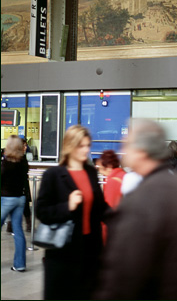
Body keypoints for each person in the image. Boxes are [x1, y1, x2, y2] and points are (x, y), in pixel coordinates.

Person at [92, 118, 177, 300]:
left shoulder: (142, 199)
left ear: (141, 152)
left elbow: (126, 271)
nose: (123, 151)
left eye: (127, 145)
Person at [36, 125, 108, 300]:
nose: (86, 150)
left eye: (87, 145)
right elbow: (42, 211)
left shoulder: (90, 172)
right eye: (81, 146)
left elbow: (99, 206)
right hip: (63, 252)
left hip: (90, 250)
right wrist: (67, 206)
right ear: (70, 146)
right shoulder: (53, 175)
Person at [1, 135, 28, 272]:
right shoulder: (24, 162)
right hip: (20, 198)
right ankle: (20, 264)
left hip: (6, 198)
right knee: (18, 231)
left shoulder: (6, 163)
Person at [96, 149, 126, 244]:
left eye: (101, 169)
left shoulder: (113, 182)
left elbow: (108, 212)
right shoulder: (124, 175)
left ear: (108, 167)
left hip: (114, 235)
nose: (101, 173)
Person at [6, 137, 32, 233]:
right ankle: (25, 225)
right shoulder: (20, 160)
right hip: (18, 189)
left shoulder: (17, 158)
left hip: (18, 189)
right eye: (24, 145)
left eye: (26, 145)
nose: (25, 147)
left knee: (20, 209)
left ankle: (12, 226)